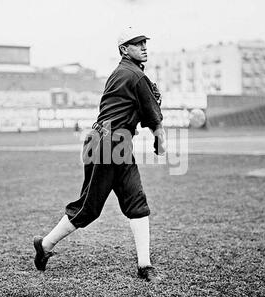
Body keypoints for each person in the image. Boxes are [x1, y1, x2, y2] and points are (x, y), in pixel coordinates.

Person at [33, 26, 166, 281]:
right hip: (107, 142)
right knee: (88, 208)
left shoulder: (124, 73)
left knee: (137, 203)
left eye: (144, 43)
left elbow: (128, 109)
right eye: (137, 43)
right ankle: (45, 245)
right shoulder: (134, 76)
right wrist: (160, 138)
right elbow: (152, 116)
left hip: (115, 142)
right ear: (124, 49)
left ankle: (144, 266)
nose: (144, 47)